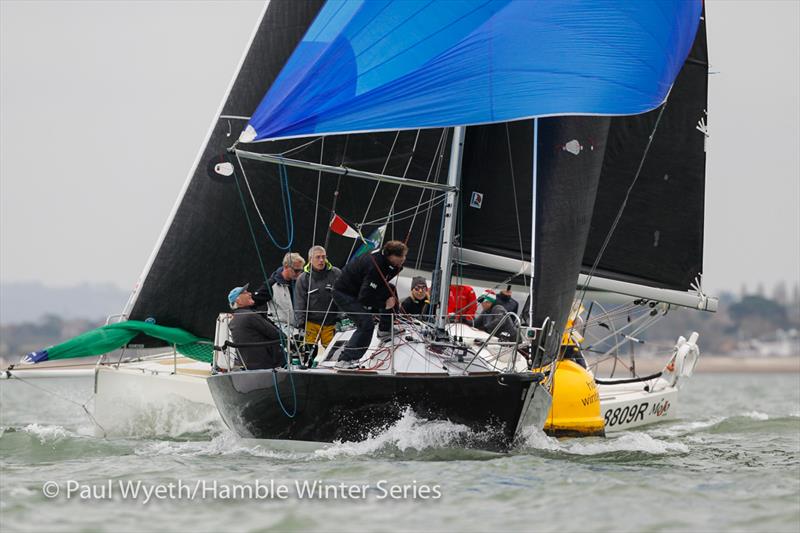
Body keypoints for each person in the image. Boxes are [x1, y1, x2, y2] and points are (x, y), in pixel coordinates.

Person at [333, 240, 407, 368]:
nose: (403, 259)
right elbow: (365, 298)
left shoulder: (384, 259)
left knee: (391, 290)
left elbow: (377, 286)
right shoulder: (375, 267)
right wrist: (384, 305)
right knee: (366, 323)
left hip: (358, 289)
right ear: (391, 255)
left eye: (404, 256)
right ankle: (345, 360)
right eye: (400, 256)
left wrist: (386, 299)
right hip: (344, 293)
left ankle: (385, 329)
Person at [294, 245, 341, 348]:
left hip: (331, 322)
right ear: (310, 259)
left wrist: (342, 318)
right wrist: (300, 325)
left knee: (334, 351)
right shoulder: (303, 278)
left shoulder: (336, 273)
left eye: (323, 257)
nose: (321, 260)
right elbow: (299, 303)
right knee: (308, 352)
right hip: (311, 323)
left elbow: (344, 296)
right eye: (318, 257)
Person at [227, 283, 283, 370]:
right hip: (266, 365)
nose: (250, 293)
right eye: (245, 293)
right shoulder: (250, 316)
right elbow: (276, 334)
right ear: (239, 301)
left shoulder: (234, 319)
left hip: (248, 364)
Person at [253, 252, 305, 329]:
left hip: (300, 329)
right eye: (296, 270)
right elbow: (254, 301)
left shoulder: (301, 283)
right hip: (280, 330)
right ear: (286, 267)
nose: (299, 274)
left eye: (301, 270)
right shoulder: (271, 284)